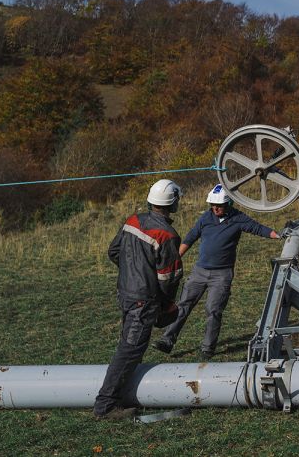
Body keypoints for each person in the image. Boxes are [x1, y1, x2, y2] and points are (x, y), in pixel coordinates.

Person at [153, 183, 279, 360]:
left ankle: (208, 348)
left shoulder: (238, 218)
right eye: (212, 205)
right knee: (183, 305)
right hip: (199, 271)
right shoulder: (206, 218)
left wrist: (278, 235)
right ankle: (167, 340)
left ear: (228, 204)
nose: (215, 208)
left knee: (213, 310)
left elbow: (258, 229)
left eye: (219, 205)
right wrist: (175, 258)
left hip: (222, 275)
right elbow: (191, 237)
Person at [93, 179, 184, 420]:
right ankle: (106, 406)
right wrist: (166, 306)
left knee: (130, 346)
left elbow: (114, 252)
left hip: (124, 294)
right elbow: (169, 278)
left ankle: (124, 393)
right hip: (144, 302)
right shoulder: (167, 234)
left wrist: (132, 272)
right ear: (173, 203)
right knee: (130, 350)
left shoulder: (132, 221)